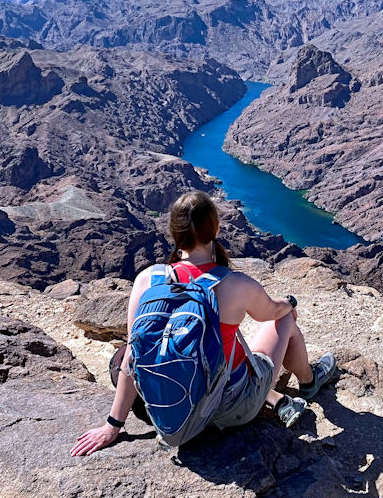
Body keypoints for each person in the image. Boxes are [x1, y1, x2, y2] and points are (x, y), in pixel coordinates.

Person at [71, 190, 337, 456]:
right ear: (216, 228)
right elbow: (274, 312)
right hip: (230, 409)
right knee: (286, 320)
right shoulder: (237, 284)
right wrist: (290, 302)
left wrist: (112, 426)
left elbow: (133, 357)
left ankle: (282, 393)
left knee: (122, 354)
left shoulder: (147, 280)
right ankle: (309, 381)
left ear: (174, 233)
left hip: (172, 406)